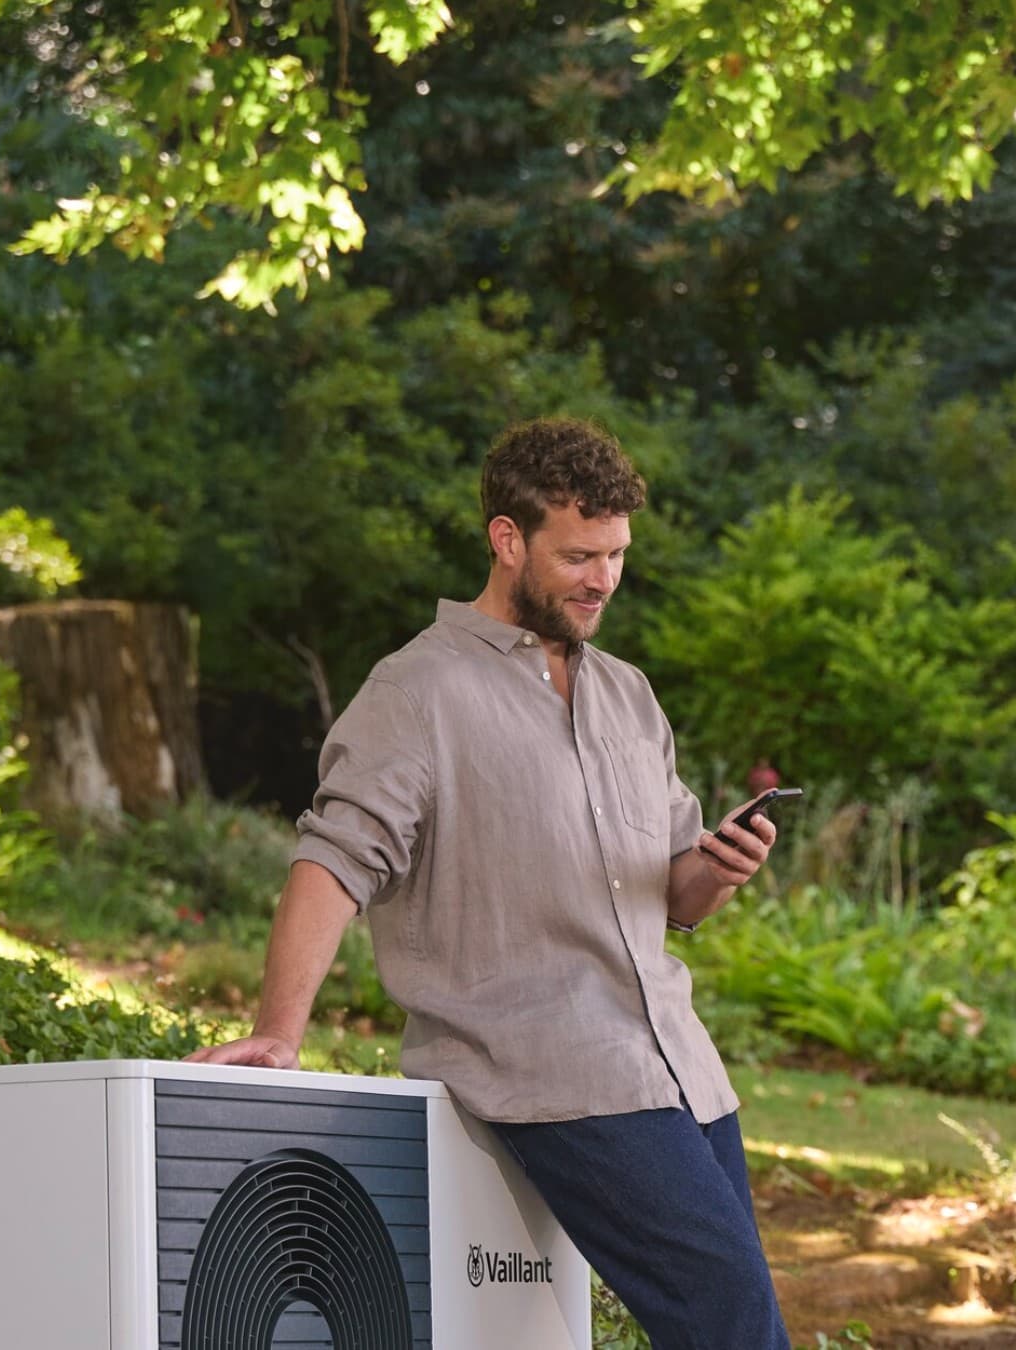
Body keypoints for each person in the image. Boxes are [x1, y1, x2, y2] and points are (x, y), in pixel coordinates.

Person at [187, 416, 791, 1349]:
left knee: (728, 1317)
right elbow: (332, 860)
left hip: (682, 1070)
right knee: (730, 1315)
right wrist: (280, 1031)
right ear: (508, 541)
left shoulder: (628, 695)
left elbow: (676, 899)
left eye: (618, 555)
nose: (604, 580)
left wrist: (718, 869)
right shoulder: (417, 691)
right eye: (580, 555)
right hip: (545, 1069)